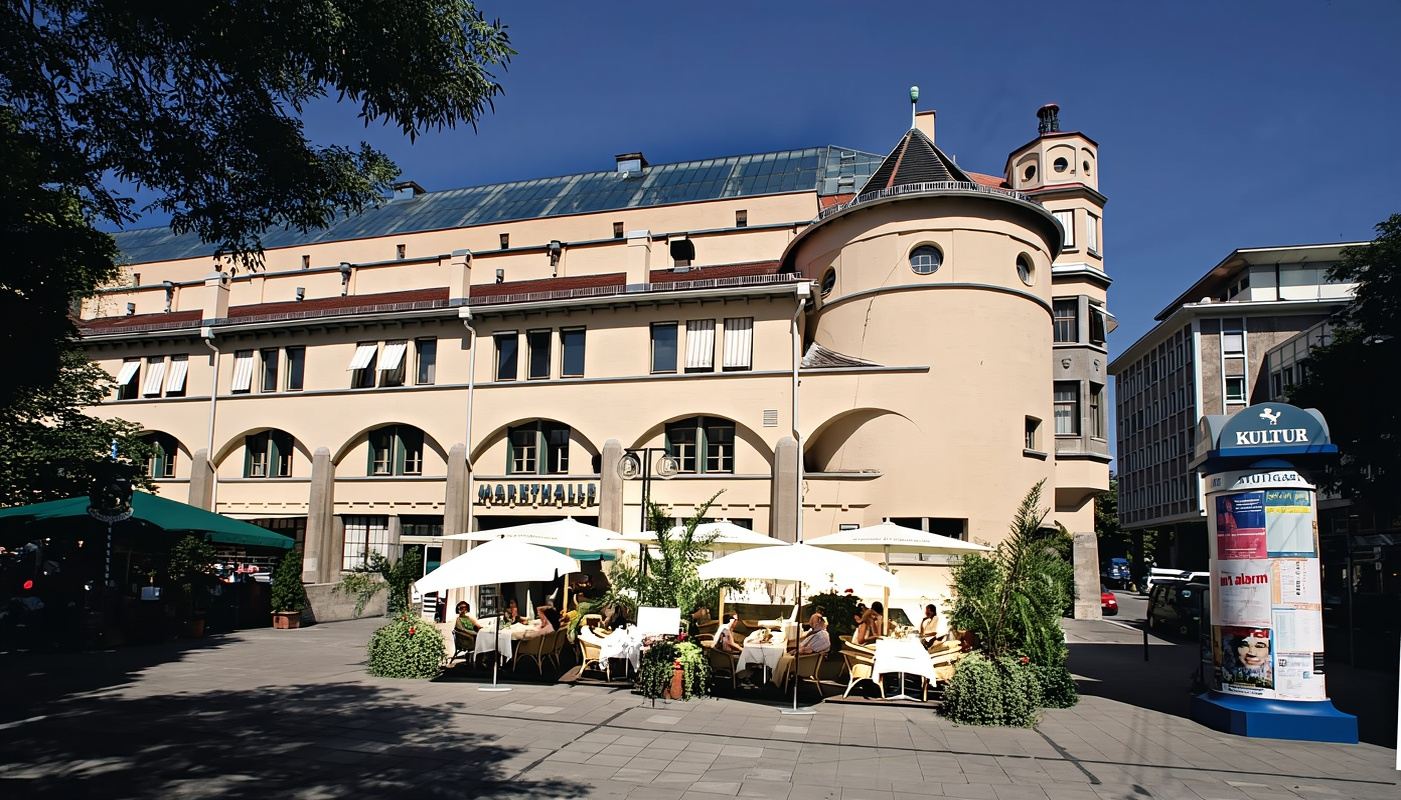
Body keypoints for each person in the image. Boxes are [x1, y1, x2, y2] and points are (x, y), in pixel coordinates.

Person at [771, 613, 831, 688]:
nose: (811, 624)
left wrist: (795, 651)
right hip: (802, 657)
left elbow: (808, 650)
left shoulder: (822, 636)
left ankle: (775, 684)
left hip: (804, 661)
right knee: (779, 654)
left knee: (780, 657)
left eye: (813, 622)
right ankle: (776, 681)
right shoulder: (816, 633)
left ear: (819, 622)